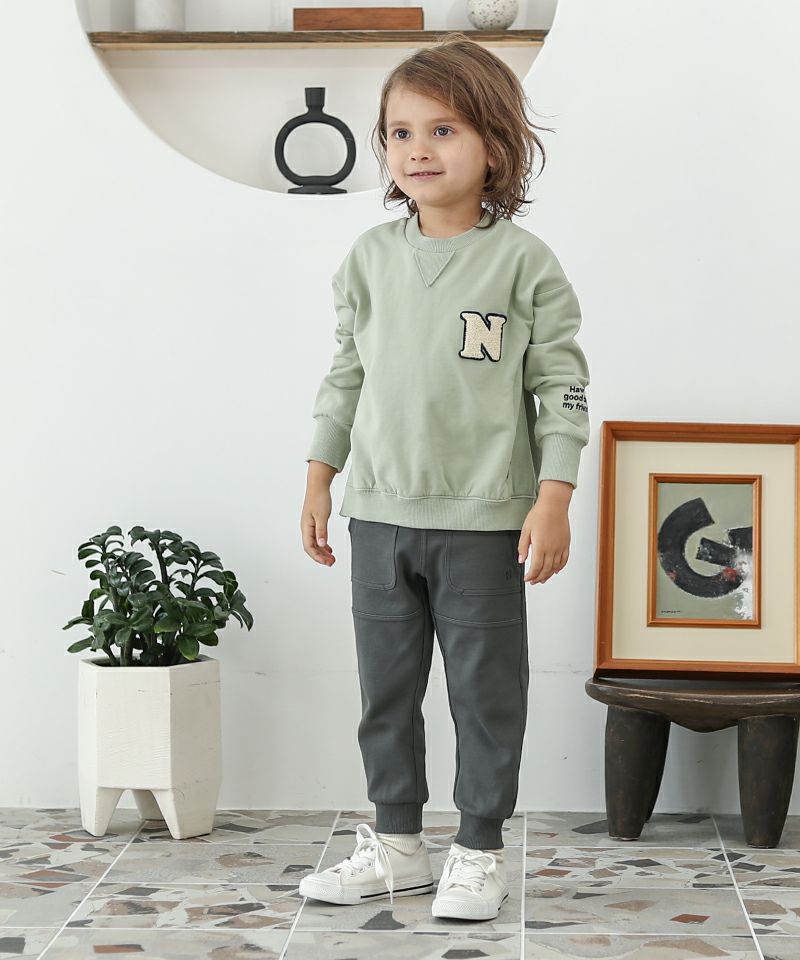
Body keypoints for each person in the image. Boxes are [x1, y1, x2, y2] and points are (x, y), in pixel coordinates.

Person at [298, 32, 590, 922]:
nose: (417, 149)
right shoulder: (367, 260)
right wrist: (319, 477)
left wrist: (553, 497)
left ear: (495, 146)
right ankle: (396, 847)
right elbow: (344, 375)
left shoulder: (524, 264)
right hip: (378, 516)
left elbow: (562, 387)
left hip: (486, 522)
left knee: (485, 695)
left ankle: (478, 850)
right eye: (400, 133)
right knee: (385, 692)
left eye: (443, 130)